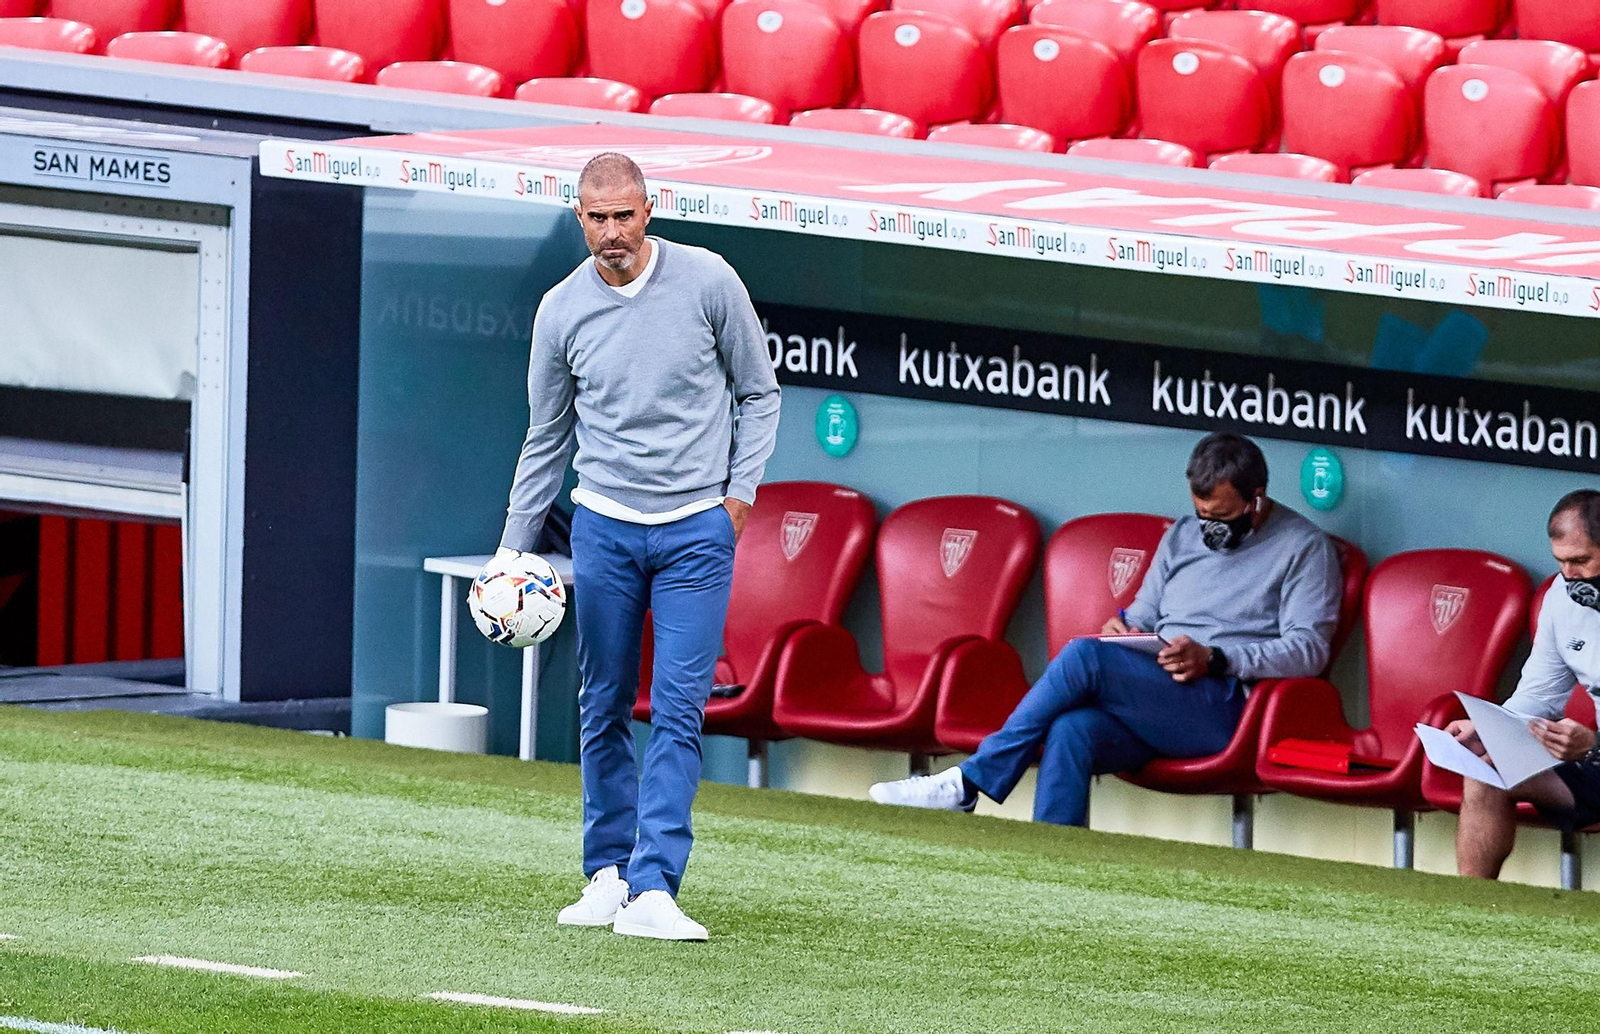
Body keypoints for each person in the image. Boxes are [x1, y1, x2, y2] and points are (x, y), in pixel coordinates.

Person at [493, 152, 780, 940]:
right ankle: (608, 875)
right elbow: (546, 436)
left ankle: (654, 887)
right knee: (603, 703)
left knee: (680, 710)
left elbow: (760, 393)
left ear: (650, 210)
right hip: (605, 527)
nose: (613, 230)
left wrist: (738, 499)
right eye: (598, 217)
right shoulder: (559, 309)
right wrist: (513, 550)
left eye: (625, 214)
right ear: (578, 218)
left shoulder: (709, 280)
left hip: (696, 532)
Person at [869, 433, 1341, 826]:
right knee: (1072, 730)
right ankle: (1051, 868)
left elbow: (1310, 649)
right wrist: (1126, 629)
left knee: (1083, 656)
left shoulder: (1304, 547)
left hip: (1226, 706)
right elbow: (1145, 613)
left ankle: (968, 782)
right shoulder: (1182, 534)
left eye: (1220, 517)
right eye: (1201, 514)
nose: (1207, 528)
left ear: (1256, 499)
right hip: (1156, 691)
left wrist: (1216, 658)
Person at [1451, 490, 1600, 880]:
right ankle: (1469, 906)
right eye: (1561, 561)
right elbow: (1538, 695)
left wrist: (1593, 745)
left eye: (1580, 561)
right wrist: (1492, 729)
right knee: (1488, 770)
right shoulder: (1561, 599)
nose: (1569, 575)